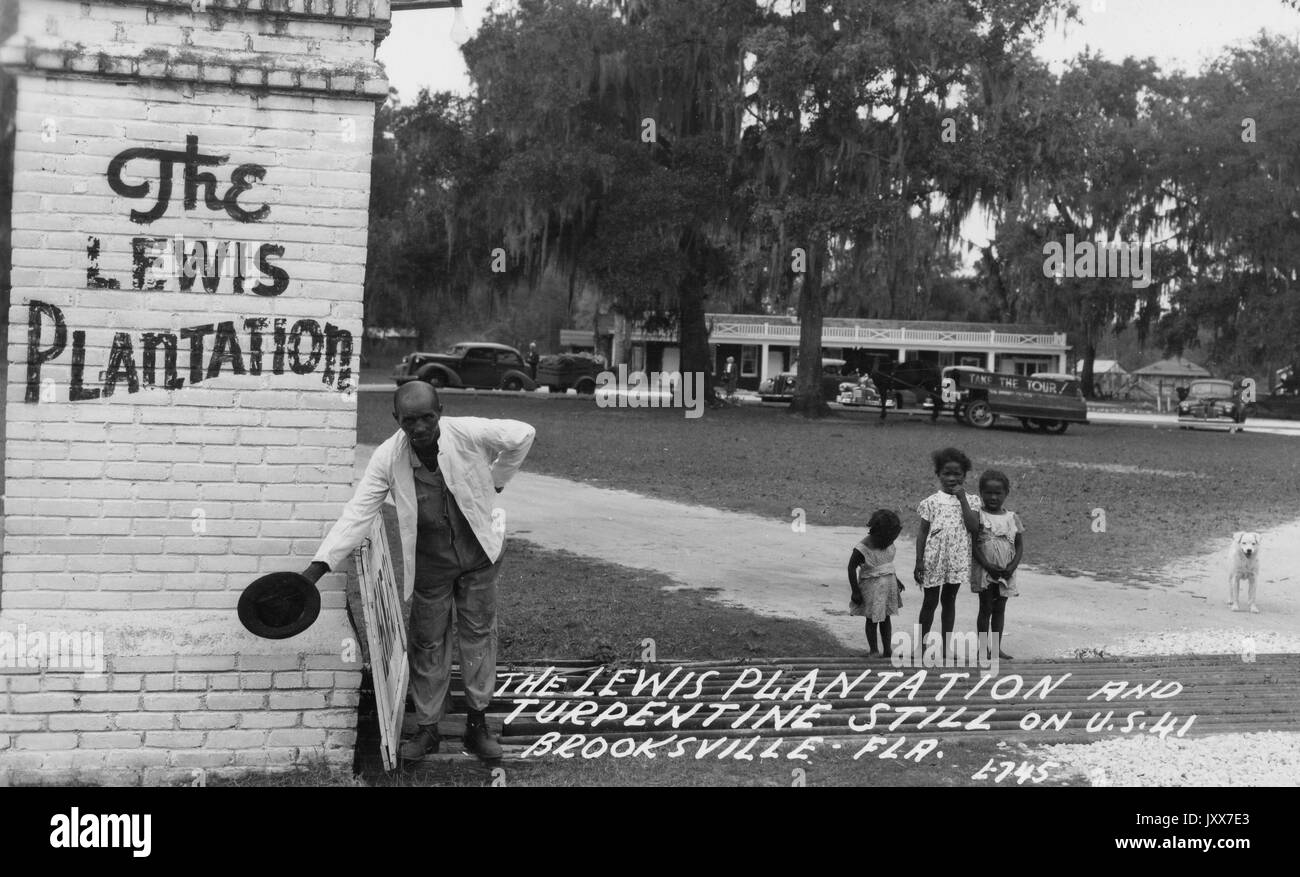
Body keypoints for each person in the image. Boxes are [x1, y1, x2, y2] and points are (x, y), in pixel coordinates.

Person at [302, 381, 535, 762]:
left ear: (440, 410)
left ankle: (478, 724)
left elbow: (523, 434)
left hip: (479, 556)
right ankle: (428, 729)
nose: (421, 427)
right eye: (410, 421)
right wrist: (317, 568)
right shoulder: (387, 458)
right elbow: (359, 512)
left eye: (428, 417)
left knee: (478, 635)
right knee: (427, 641)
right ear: (397, 420)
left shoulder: (468, 433)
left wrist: (498, 479)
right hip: (431, 563)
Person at [913, 447, 981, 659]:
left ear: (965, 475)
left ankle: (945, 647)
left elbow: (973, 527)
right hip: (934, 559)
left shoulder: (972, 501)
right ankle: (922, 647)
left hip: (957, 560)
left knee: (949, 602)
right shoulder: (931, 502)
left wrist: (962, 499)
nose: (952, 478)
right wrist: (919, 561)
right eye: (947, 474)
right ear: (938, 474)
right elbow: (923, 532)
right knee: (929, 602)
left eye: (957, 474)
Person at [970, 470, 1023, 661]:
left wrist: (1012, 567)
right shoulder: (978, 516)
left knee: (1000, 609)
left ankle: (997, 648)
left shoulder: (1012, 517)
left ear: (1006, 493)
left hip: (1006, 571)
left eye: (998, 493)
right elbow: (974, 545)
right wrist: (987, 565)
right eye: (988, 493)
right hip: (985, 570)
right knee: (985, 608)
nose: (993, 497)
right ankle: (983, 649)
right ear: (981, 493)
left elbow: (1019, 544)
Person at [847, 509, 905, 657]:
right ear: (880, 534)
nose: (892, 541)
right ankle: (873, 650)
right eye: (890, 538)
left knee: (886, 619)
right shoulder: (863, 548)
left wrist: (896, 580)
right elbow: (851, 567)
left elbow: (886, 564)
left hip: (887, 587)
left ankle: (887, 650)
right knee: (872, 620)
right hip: (871, 589)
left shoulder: (888, 542)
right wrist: (855, 591)